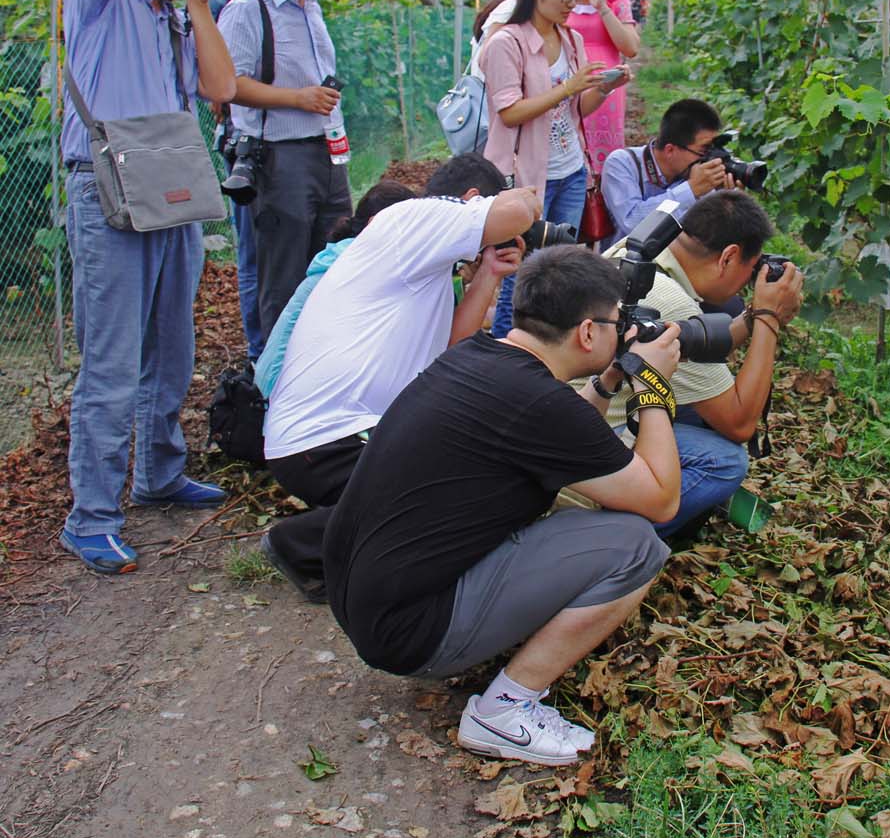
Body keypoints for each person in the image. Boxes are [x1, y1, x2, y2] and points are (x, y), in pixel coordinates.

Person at [323, 246, 681, 766]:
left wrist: (608, 382)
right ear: (587, 332)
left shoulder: (478, 357)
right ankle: (504, 712)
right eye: (615, 322)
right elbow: (662, 500)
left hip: (365, 600)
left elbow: (557, 430)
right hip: (411, 633)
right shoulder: (540, 404)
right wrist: (653, 386)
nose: (621, 330)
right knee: (636, 545)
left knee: (583, 512)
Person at [259, 155, 538, 602]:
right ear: (470, 200)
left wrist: (488, 274)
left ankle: (348, 536)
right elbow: (518, 211)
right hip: (327, 439)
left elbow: (450, 349)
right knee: (459, 492)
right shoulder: (416, 217)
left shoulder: (428, 263)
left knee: (465, 481)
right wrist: (525, 197)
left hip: (341, 437)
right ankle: (302, 544)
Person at [58, 0, 241, 574]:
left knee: (171, 347)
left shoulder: (176, 15)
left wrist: (199, 3)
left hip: (172, 183)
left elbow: (222, 86)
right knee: (111, 362)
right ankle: (91, 518)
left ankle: (159, 474)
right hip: (108, 188)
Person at [601, 192, 803, 538]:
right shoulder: (672, 303)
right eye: (750, 270)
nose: (747, 282)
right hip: (604, 437)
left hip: (580, 411)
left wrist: (752, 316)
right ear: (728, 257)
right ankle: (620, 538)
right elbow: (740, 423)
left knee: (700, 408)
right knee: (724, 461)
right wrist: (769, 318)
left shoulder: (640, 251)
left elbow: (696, 346)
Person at [479, 0, 633, 337]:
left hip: (570, 171)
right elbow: (509, 112)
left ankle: (542, 346)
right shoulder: (506, 43)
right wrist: (567, 86)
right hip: (526, 179)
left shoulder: (570, 40)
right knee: (520, 272)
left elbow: (577, 108)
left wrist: (604, 87)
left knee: (556, 268)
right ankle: (505, 349)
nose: (572, 4)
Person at [218, 0, 349, 345]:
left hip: (327, 152)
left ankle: (318, 358)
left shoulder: (311, 8)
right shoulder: (248, 8)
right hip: (280, 156)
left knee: (331, 264)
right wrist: (297, 98)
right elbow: (228, 84)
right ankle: (275, 370)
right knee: (284, 276)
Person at [213, 0, 289, 361]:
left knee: (281, 253)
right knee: (255, 254)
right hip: (249, 140)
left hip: (285, 140)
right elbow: (220, 85)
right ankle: (260, 352)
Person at [253, 180, 417, 398]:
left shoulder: (346, 254)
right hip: (280, 392)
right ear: (376, 224)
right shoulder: (353, 267)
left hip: (279, 384)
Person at [601, 98, 739, 247]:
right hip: (625, 259)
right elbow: (632, 223)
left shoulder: (697, 172)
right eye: (704, 150)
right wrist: (691, 190)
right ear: (670, 150)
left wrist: (725, 200)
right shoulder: (622, 163)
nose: (710, 157)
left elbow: (711, 237)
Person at [565, 0, 639, 181]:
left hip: (606, 87)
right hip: (567, 84)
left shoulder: (616, 0)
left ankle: (602, 201)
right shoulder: (560, 1)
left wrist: (603, 8)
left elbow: (630, 48)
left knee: (604, 163)